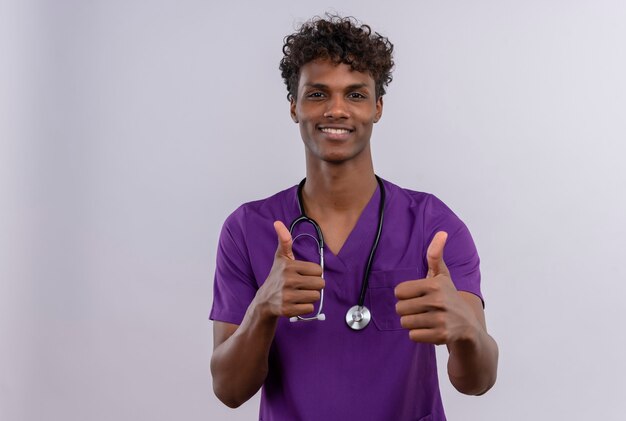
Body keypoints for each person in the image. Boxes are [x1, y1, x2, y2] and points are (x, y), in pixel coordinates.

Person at [210, 14, 498, 421]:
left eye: (356, 95)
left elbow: (479, 380)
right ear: (294, 106)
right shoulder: (247, 229)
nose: (337, 109)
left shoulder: (435, 226)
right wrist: (262, 308)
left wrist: (467, 332)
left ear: (378, 107)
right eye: (318, 94)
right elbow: (229, 390)